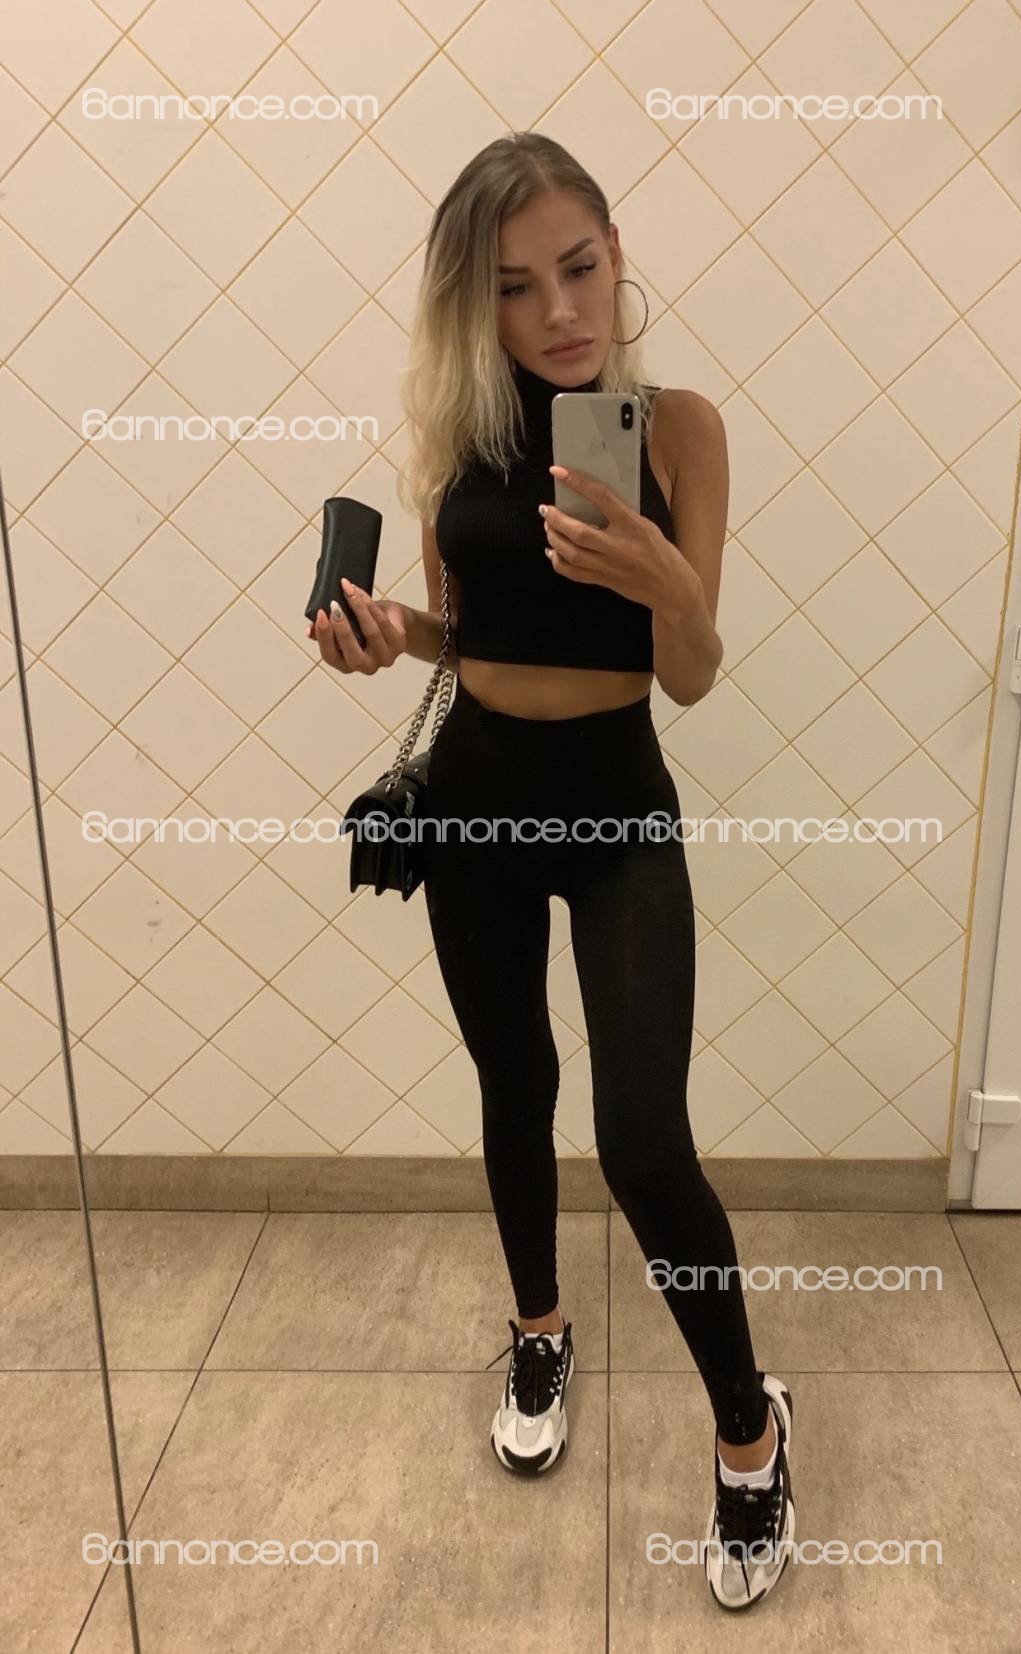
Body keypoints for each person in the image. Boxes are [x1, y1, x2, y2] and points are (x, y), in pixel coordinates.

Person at [311, 132, 795, 1612]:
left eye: (577, 268)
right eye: (515, 288)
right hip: (477, 803)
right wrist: (391, 634)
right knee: (513, 1083)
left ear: (615, 251)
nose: (558, 310)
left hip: (617, 807)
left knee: (644, 1140)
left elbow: (691, 674)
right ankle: (539, 1333)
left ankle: (752, 1428)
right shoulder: (462, 441)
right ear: (481, 302)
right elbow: (471, 639)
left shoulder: (681, 430)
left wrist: (666, 582)